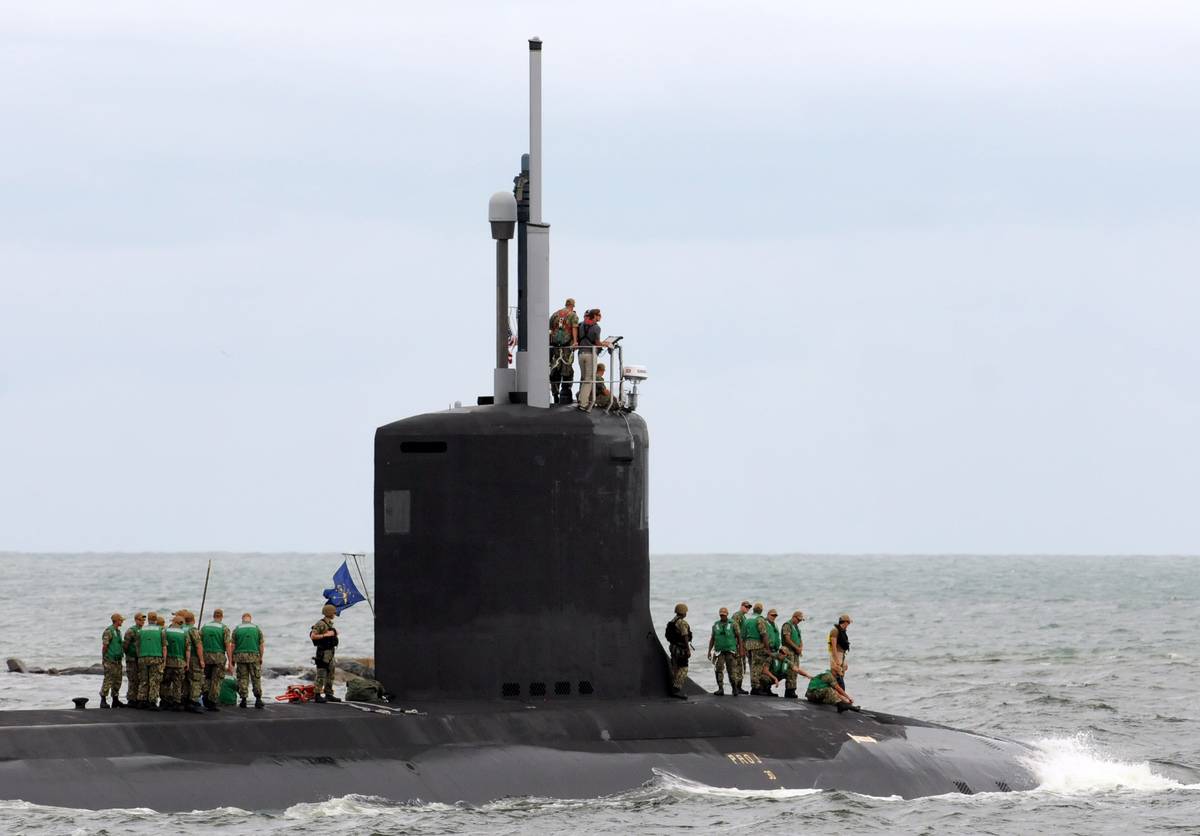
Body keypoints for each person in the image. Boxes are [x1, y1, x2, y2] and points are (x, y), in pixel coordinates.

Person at [577, 308, 613, 411]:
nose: (600, 317)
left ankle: (580, 399)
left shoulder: (581, 325)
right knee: (589, 380)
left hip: (580, 354)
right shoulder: (596, 328)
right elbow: (597, 343)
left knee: (584, 378)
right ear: (595, 316)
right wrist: (606, 344)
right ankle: (583, 403)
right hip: (590, 355)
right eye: (599, 315)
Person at [201, 608, 232, 712]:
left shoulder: (205, 627)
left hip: (206, 656)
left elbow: (199, 643)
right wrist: (230, 662)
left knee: (207, 677)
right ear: (221, 616)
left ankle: (205, 693)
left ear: (213, 616)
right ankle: (212, 702)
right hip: (219, 657)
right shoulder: (224, 628)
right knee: (216, 680)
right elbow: (228, 646)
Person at [548, 297, 579, 404]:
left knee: (554, 370)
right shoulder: (573, 315)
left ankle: (555, 394)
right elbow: (574, 328)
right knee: (567, 371)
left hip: (555, 347)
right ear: (572, 305)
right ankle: (565, 393)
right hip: (566, 348)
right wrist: (575, 342)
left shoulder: (555, 315)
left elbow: (550, 330)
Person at [232, 612, 266, 709]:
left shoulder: (237, 629)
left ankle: (243, 700)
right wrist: (261, 657)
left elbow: (232, 645)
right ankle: (258, 700)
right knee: (256, 678)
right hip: (254, 656)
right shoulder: (257, 629)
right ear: (250, 619)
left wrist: (232, 659)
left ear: (242, 619)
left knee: (242, 678)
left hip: (240, 657)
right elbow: (261, 645)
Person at [310, 604, 341, 703]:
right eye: (333, 613)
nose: (334, 614)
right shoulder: (320, 624)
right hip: (323, 653)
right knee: (321, 673)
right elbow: (313, 636)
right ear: (329, 613)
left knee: (331, 673)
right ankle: (317, 694)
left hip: (330, 652)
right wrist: (325, 635)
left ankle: (329, 694)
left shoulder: (329, 624)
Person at [136, 611, 167, 710]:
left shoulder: (141, 630)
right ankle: (152, 702)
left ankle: (141, 700)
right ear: (156, 619)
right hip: (156, 657)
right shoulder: (160, 630)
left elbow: (137, 645)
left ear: (148, 619)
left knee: (143, 680)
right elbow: (164, 647)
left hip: (143, 657)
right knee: (154, 680)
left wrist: (139, 656)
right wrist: (164, 659)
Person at [706, 607, 741, 696]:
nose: (722, 616)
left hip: (731, 651)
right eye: (721, 615)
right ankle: (720, 688)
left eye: (724, 615)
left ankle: (734, 688)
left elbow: (739, 637)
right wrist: (709, 651)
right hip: (719, 651)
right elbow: (712, 638)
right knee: (718, 669)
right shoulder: (715, 625)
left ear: (727, 614)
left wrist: (741, 649)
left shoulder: (733, 624)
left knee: (732, 670)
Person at [161, 612, 189, 711]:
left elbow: (163, 647)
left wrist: (163, 661)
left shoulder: (165, 631)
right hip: (180, 662)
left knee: (166, 682)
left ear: (174, 622)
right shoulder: (184, 634)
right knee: (178, 683)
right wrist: (187, 663)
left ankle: (164, 701)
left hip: (168, 661)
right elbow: (187, 650)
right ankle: (176, 702)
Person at [665, 602, 692, 699]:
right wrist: (688, 649)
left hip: (673, 647)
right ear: (683, 612)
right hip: (680, 649)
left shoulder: (672, 621)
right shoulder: (682, 622)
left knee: (675, 668)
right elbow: (685, 636)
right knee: (684, 668)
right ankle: (676, 689)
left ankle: (673, 689)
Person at [743, 603, 770, 695]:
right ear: (761, 610)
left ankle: (753, 686)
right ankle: (756, 688)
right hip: (758, 645)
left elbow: (743, 635)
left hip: (748, 645)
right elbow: (764, 634)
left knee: (751, 666)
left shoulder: (747, 620)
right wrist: (767, 648)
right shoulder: (760, 619)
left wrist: (744, 648)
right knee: (757, 667)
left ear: (753, 610)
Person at [182, 610, 205, 713]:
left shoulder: (181, 629)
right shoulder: (193, 630)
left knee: (186, 680)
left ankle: (185, 699)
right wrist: (201, 659)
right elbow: (198, 646)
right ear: (193, 620)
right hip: (193, 658)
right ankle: (193, 701)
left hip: (182, 658)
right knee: (195, 680)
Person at [100, 613, 125, 708]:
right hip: (110, 660)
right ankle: (103, 700)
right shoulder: (109, 631)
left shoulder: (118, 631)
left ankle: (115, 699)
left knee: (118, 680)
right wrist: (104, 658)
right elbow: (105, 646)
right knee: (108, 680)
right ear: (117, 620)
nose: (122, 621)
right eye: (121, 620)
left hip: (118, 661)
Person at [781, 610, 806, 699]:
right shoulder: (787, 625)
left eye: (800, 620)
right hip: (789, 651)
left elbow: (800, 639)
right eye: (798, 619)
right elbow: (787, 639)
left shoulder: (796, 627)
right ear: (794, 617)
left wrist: (800, 648)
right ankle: (789, 690)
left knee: (795, 671)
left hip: (796, 652)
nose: (799, 621)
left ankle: (793, 689)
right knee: (791, 671)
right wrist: (796, 647)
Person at [121, 611, 144, 706]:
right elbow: (125, 645)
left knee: (140, 679)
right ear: (135, 620)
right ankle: (131, 699)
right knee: (132, 679)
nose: (142, 622)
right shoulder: (131, 631)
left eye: (143, 620)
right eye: (140, 620)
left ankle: (138, 698)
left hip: (140, 659)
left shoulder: (143, 630)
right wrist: (128, 654)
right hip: (131, 659)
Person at [730, 601, 752, 695]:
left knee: (741, 666)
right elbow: (734, 631)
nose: (747, 608)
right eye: (746, 607)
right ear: (741, 606)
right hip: (737, 644)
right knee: (737, 666)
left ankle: (739, 687)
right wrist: (739, 646)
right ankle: (736, 687)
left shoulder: (743, 617)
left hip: (741, 644)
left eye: (749, 607)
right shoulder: (737, 616)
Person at [828, 614, 852, 689]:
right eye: (848, 623)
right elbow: (834, 646)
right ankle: (836, 692)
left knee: (843, 671)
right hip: (836, 654)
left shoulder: (842, 631)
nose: (848, 625)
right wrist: (836, 659)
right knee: (836, 673)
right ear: (845, 622)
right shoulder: (835, 631)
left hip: (842, 654)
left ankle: (840, 692)